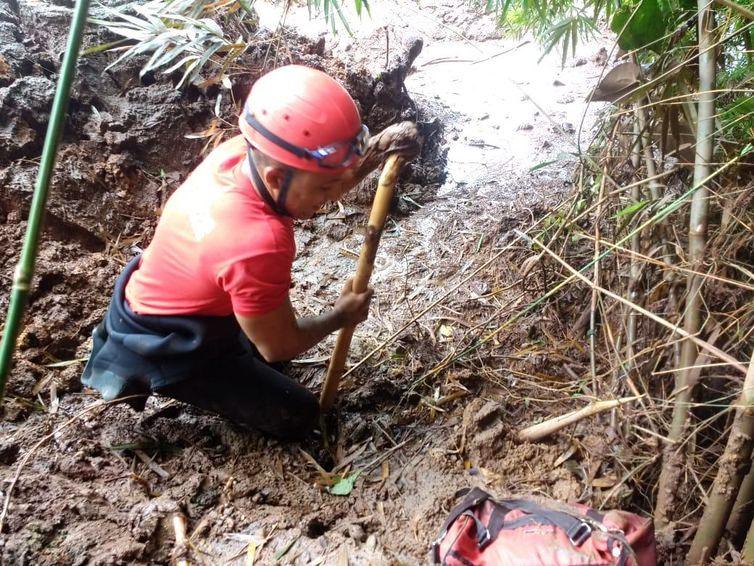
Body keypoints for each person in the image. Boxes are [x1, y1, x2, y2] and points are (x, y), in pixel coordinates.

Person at [81, 65, 420, 439]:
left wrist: (373, 154)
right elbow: (279, 345)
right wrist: (341, 315)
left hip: (161, 296)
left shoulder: (241, 154)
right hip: (168, 341)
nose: (329, 200)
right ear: (276, 178)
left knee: (272, 350)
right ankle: (169, 376)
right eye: (325, 191)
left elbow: (315, 178)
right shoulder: (258, 241)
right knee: (297, 414)